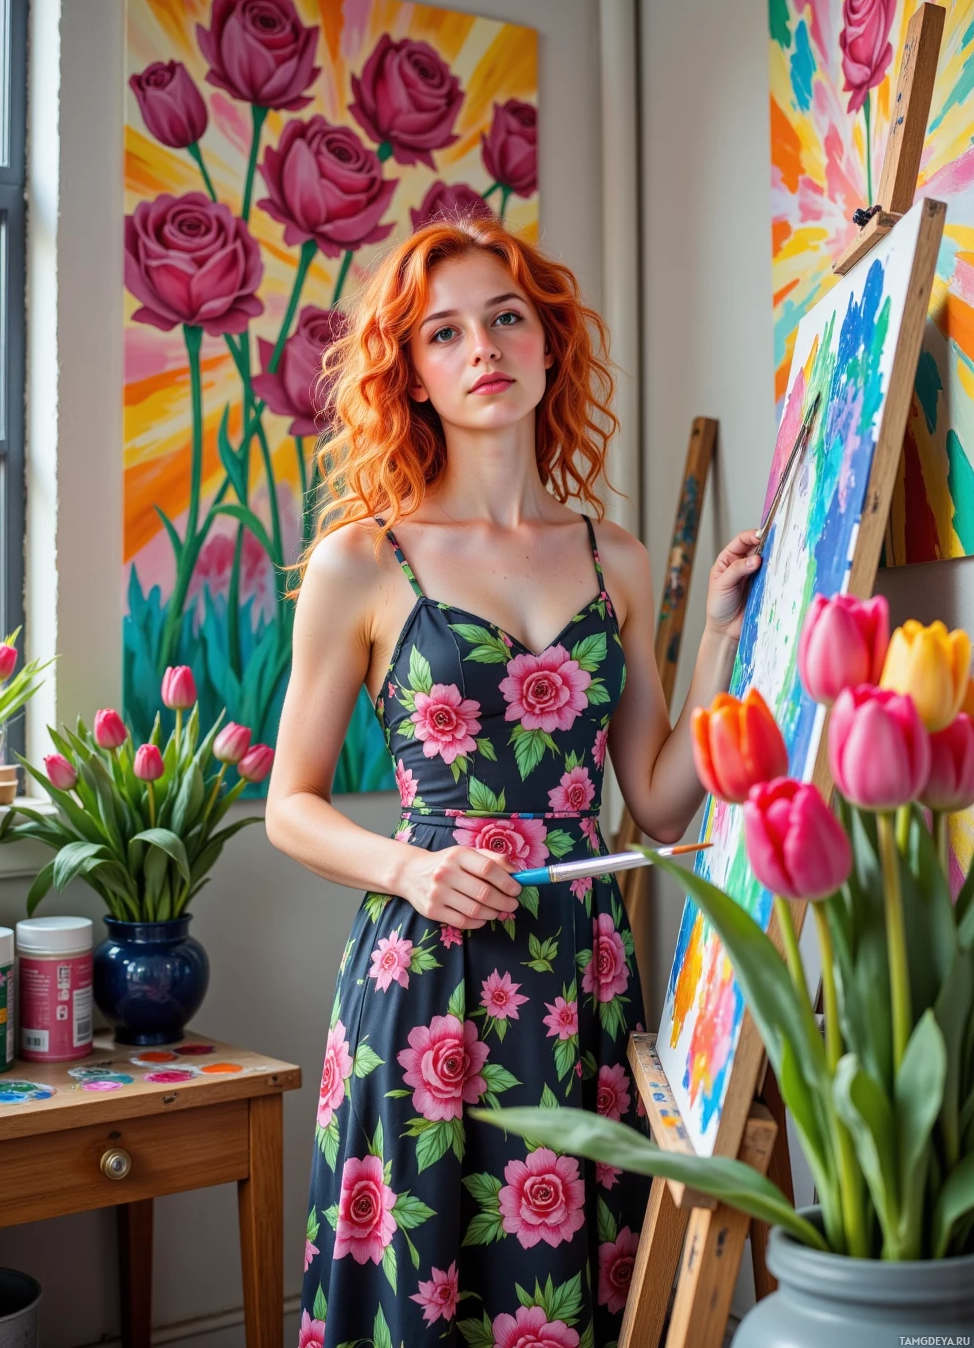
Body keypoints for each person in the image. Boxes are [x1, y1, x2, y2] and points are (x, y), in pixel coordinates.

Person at [266, 217, 759, 1347]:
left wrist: (725, 643)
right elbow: (290, 805)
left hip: (582, 973)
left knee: (566, 1287)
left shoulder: (614, 557)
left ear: (547, 344)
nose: (481, 345)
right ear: (415, 377)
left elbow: (658, 801)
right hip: (428, 972)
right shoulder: (360, 559)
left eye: (505, 318)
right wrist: (412, 869)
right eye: (444, 333)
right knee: (429, 1280)